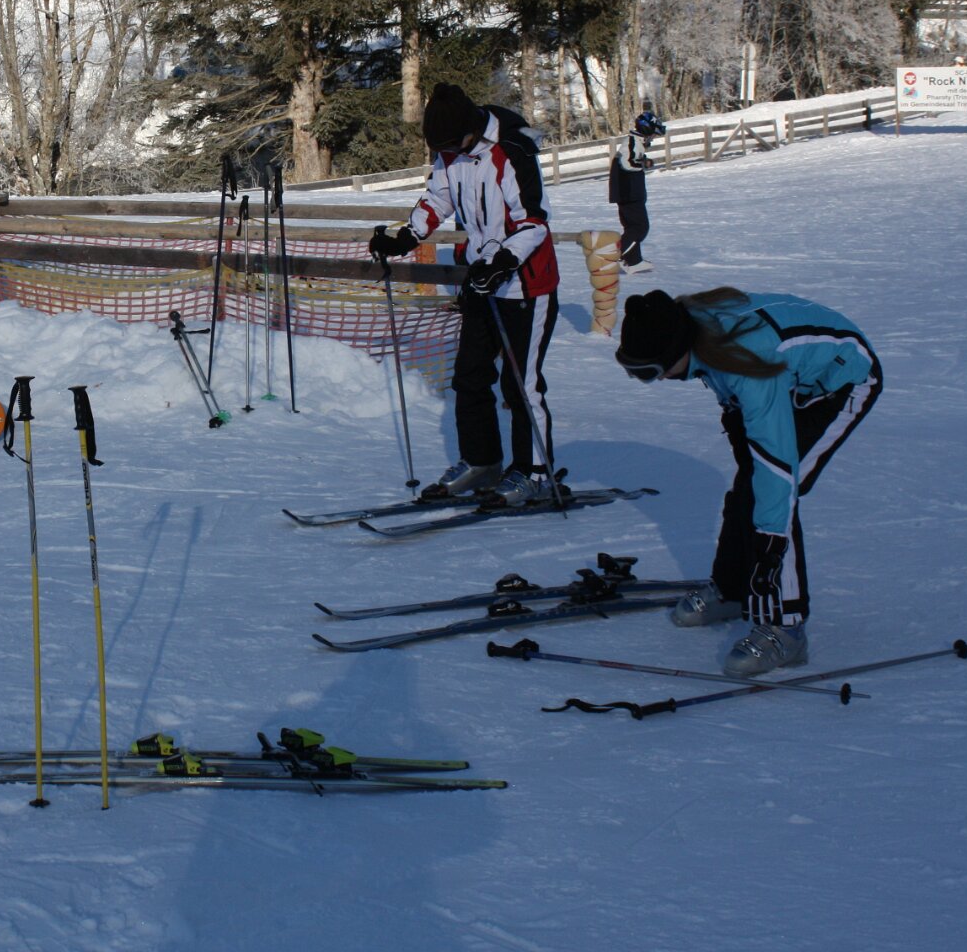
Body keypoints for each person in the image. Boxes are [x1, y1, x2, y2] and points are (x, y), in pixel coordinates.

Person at [615, 288, 881, 678]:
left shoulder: (745, 360)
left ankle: (786, 628)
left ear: (675, 351)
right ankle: (734, 589)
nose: (656, 381)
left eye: (650, 372)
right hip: (787, 379)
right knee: (749, 488)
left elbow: (776, 469)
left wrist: (768, 543)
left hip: (842, 380)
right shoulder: (696, 332)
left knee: (775, 495)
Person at [369, 82, 559, 507]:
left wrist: (503, 261)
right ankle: (482, 462)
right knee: (470, 377)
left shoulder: (511, 151)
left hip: (526, 283)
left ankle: (534, 473)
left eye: (452, 146)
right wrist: (406, 237)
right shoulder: (451, 150)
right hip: (480, 280)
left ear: (471, 130)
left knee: (520, 384)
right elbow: (437, 198)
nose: (448, 154)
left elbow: (533, 222)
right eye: (441, 149)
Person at [612, 109, 663, 273]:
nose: (653, 138)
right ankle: (614, 256)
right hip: (629, 194)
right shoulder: (632, 142)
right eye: (653, 134)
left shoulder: (635, 142)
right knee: (640, 227)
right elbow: (628, 163)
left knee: (633, 227)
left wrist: (644, 160)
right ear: (646, 130)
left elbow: (631, 159)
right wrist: (644, 163)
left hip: (631, 193)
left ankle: (633, 261)